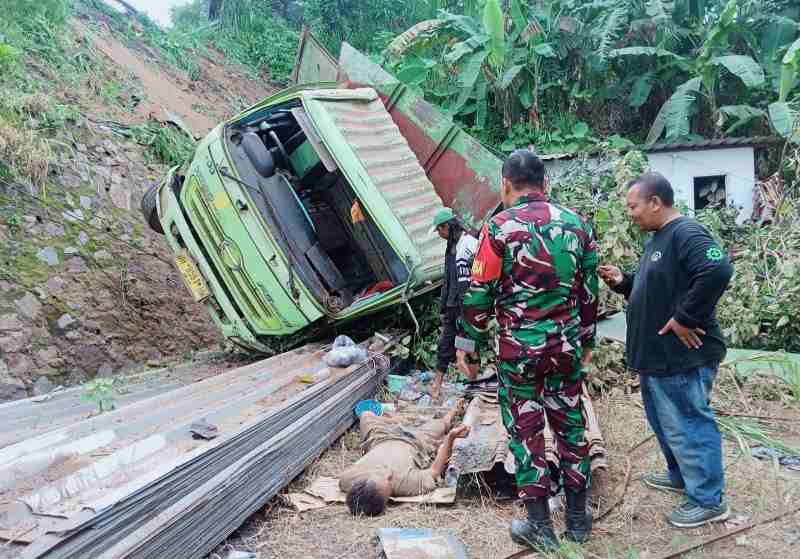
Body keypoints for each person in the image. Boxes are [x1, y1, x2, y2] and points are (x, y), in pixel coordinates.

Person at [455, 149, 599, 551]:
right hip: (566, 349)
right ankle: (577, 521)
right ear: (545, 184)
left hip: (518, 354)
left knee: (526, 433)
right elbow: (589, 294)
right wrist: (587, 341)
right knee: (571, 427)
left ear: (506, 185)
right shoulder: (578, 226)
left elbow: (479, 292)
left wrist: (468, 343)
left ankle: (540, 527)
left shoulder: (497, 229)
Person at [598, 172, 733, 528]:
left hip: (681, 357)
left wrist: (686, 317)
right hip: (657, 358)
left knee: (688, 423)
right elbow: (660, 289)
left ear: (656, 202)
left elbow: (718, 268)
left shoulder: (686, 233)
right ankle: (680, 476)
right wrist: (625, 282)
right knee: (666, 424)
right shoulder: (659, 238)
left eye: (634, 206)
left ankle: (707, 498)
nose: (630, 213)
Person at [339, 401, 469, 516]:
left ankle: (394, 420)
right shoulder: (405, 485)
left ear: (365, 481)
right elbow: (434, 471)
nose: (390, 478)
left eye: (384, 479)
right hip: (416, 440)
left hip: (380, 437)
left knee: (366, 414)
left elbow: (346, 485)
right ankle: (455, 410)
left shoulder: (348, 479)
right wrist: (450, 438)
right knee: (441, 425)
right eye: (390, 486)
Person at [430, 208, 478, 401]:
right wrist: (444, 306)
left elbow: (478, 277)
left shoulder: (469, 245)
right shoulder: (451, 247)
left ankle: (473, 383)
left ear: (446, 227)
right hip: (452, 307)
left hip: (467, 307)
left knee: (470, 347)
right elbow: (449, 280)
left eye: (439, 230)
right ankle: (436, 386)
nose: (439, 234)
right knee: (445, 345)